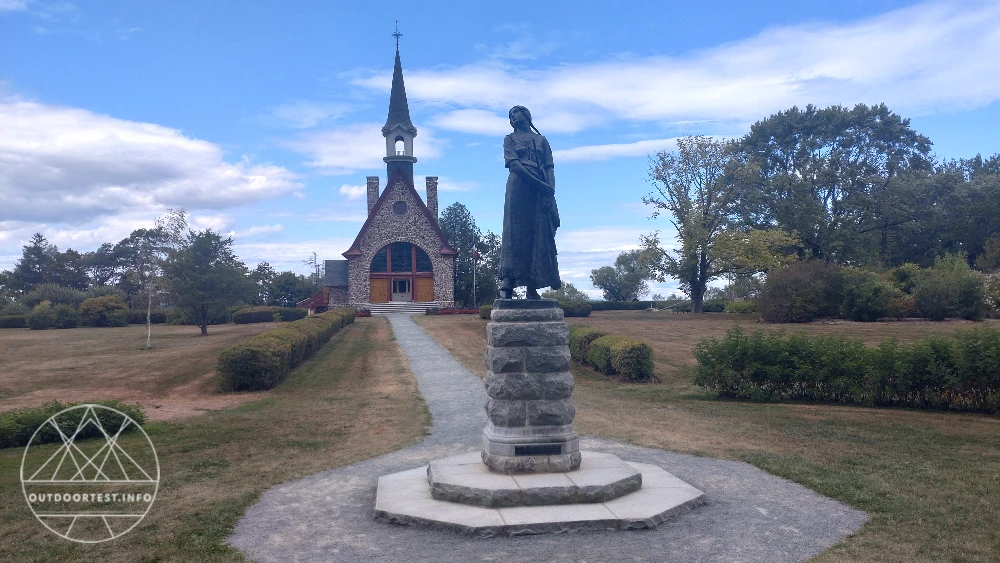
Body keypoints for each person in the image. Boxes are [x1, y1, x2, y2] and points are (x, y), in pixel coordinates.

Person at [499, 106, 561, 299]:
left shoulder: (541, 140)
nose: (513, 117)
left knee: (538, 233)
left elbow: (550, 167)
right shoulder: (509, 139)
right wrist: (540, 185)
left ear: (526, 116)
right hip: (519, 186)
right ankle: (507, 283)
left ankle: (532, 285)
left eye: (516, 113)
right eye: (510, 115)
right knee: (514, 232)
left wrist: (548, 192)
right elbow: (514, 165)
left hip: (540, 189)